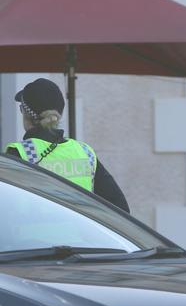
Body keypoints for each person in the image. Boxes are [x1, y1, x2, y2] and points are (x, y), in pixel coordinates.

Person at [4, 78, 130, 212]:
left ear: (25, 113)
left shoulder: (20, 153)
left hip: (32, 233)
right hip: (79, 233)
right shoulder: (85, 153)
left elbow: (6, 207)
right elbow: (120, 208)